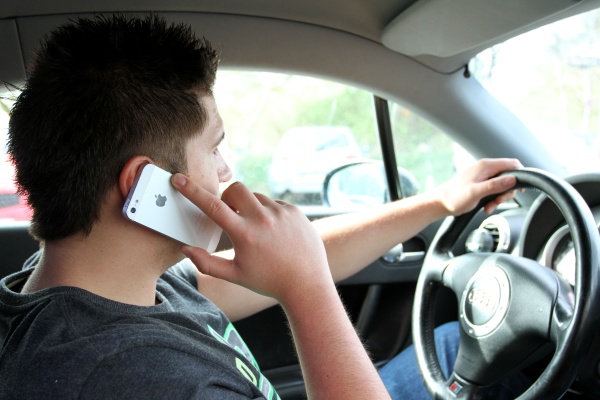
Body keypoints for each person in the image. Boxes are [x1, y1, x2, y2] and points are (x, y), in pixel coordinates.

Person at [0, 15, 523, 399]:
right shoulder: (131, 377)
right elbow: (301, 271)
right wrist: (307, 291)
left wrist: (437, 202)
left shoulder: (103, 284)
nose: (226, 170)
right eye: (214, 147)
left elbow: (300, 255)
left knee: (457, 344)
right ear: (145, 186)